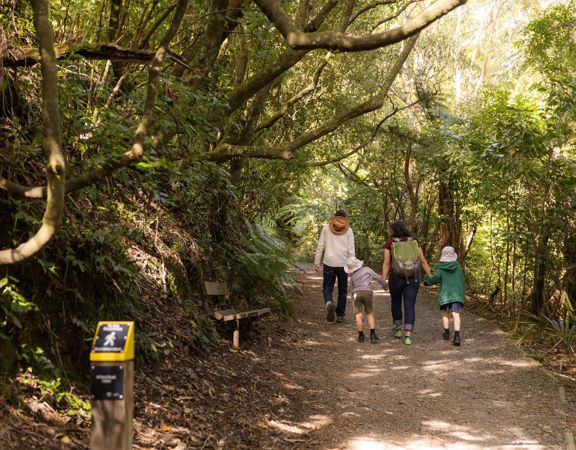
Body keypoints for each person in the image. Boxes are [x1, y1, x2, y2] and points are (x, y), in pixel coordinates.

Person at [381, 220, 432, 345]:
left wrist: (383, 280)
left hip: (396, 278)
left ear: (393, 230)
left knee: (396, 302)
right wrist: (430, 276)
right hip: (412, 278)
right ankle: (408, 336)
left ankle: (398, 330)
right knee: (410, 306)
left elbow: (387, 263)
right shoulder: (414, 242)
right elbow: (423, 261)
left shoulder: (390, 243)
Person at [314, 210, 355, 323]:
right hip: (343, 264)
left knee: (327, 286)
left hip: (329, 263)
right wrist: (352, 268)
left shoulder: (326, 228)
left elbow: (320, 246)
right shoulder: (349, 230)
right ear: (345, 219)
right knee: (343, 290)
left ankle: (328, 302)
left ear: (334, 218)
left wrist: (317, 262)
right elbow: (351, 251)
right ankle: (340, 315)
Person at [423, 246, 465, 346]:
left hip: (445, 295)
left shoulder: (440, 268)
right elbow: (461, 279)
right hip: (457, 294)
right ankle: (457, 337)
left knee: (446, 313)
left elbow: (435, 278)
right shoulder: (458, 266)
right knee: (456, 315)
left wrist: (426, 282)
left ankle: (446, 333)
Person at [344, 256, 385, 343]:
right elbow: (377, 277)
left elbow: (351, 288)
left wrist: (353, 297)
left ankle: (361, 335)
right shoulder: (367, 269)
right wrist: (385, 285)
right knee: (369, 313)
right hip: (367, 292)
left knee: (358, 315)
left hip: (356, 293)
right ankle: (373, 335)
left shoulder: (352, 276)